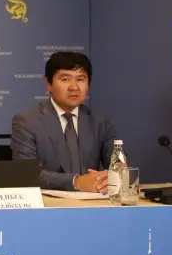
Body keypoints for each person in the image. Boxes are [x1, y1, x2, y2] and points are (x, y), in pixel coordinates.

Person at [11, 51, 116, 192]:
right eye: (65, 79)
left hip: (94, 200)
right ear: (48, 84)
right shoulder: (27, 121)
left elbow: (118, 165)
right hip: (49, 202)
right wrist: (76, 182)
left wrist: (110, 178)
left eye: (80, 79)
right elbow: (26, 174)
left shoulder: (99, 120)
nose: (74, 87)